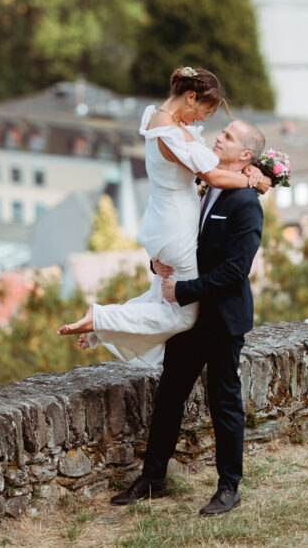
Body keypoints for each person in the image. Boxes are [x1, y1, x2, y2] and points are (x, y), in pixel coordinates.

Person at [108, 114, 266, 517]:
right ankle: (153, 479)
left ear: (245, 154)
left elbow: (235, 272)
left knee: (224, 403)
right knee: (169, 396)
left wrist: (182, 290)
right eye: (222, 131)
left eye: (228, 136)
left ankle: (229, 487)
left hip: (221, 320)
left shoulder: (246, 203)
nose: (219, 137)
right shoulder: (203, 186)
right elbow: (177, 240)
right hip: (188, 317)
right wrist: (158, 266)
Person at [57, 67, 264, 366]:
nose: (206, 120)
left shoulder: (160, 121)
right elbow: (215, 177)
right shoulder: (170, 133)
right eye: (206, 111)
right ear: (190, 98)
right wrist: (254, 180)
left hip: (166, 220)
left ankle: (101, 328)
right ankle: (101, 319)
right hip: (177, 223)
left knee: (160, 294)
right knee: (183, 312)